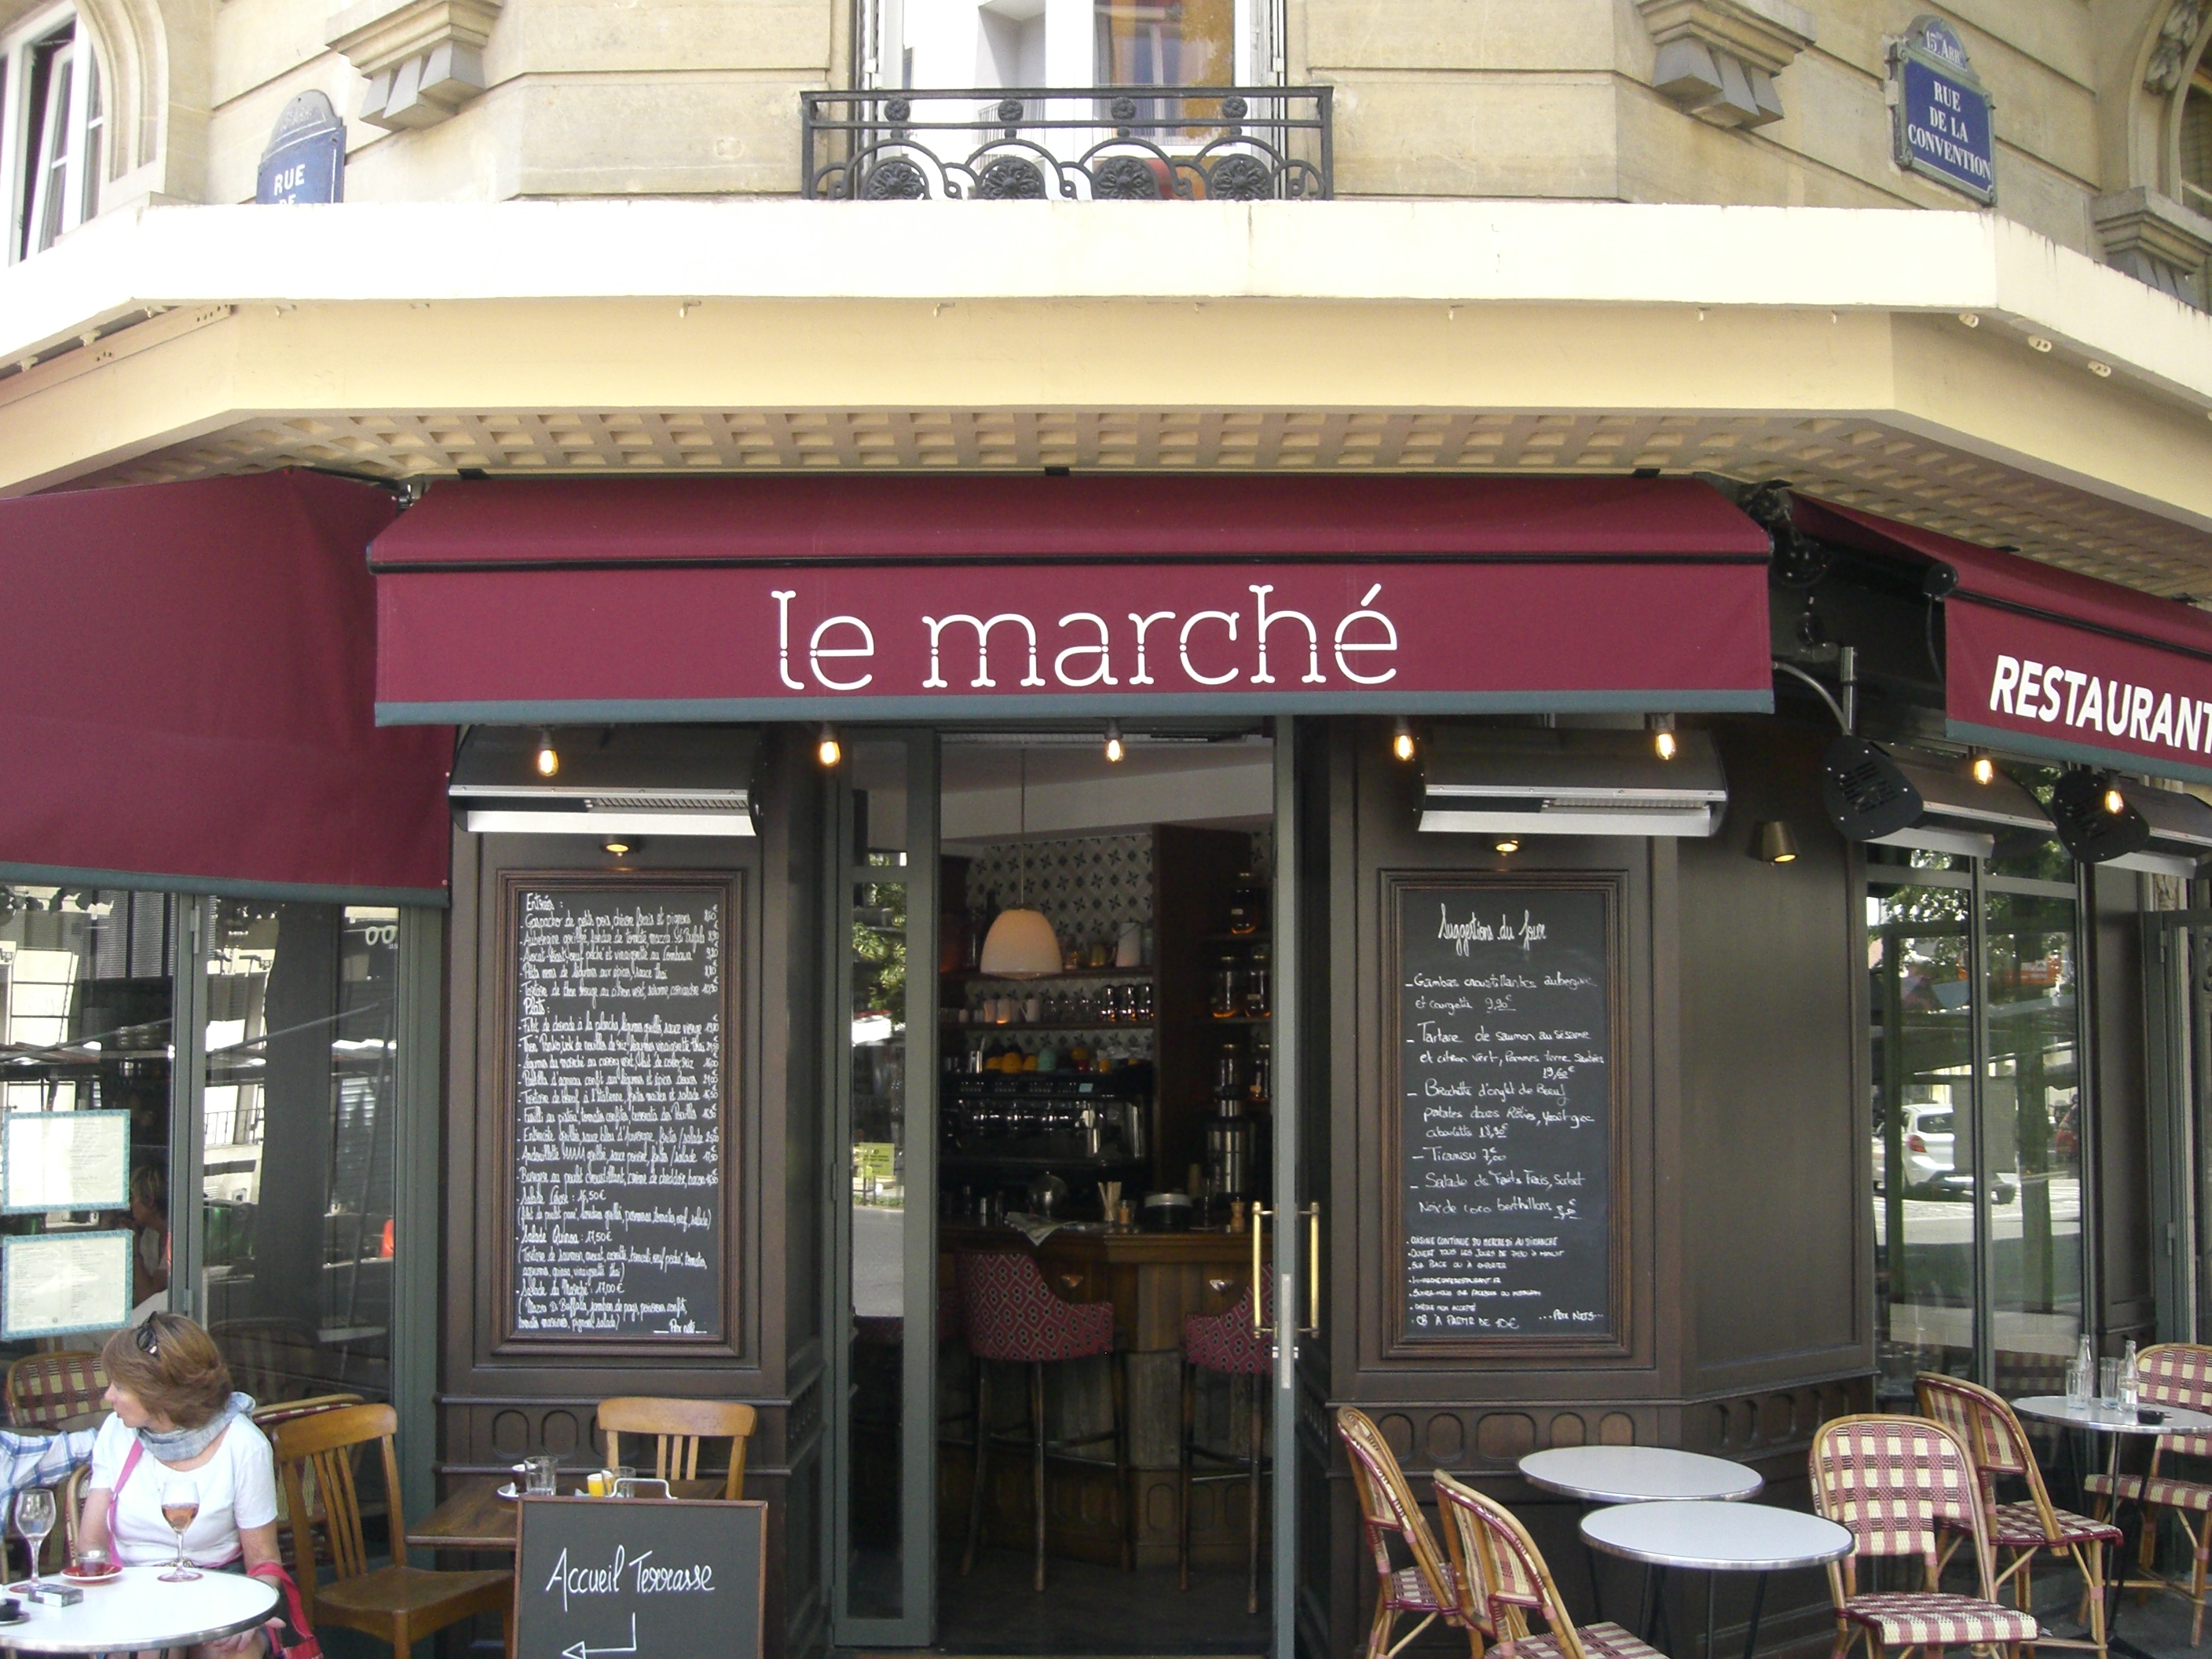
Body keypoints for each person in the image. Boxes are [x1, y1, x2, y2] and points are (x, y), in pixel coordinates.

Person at [78, 1313, 277, 1657]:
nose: (108, 1396)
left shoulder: (244, 1445)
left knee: (235, 1653)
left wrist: (249, 1617)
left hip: (219, 1591)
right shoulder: (116, 1432)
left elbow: (264, 1562)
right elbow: (91, 1544)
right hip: (133, 1590)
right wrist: (111, 1603)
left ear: (159, 1393)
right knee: (152, 1650)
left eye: (120, 1387)